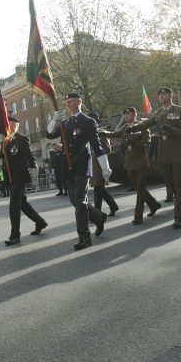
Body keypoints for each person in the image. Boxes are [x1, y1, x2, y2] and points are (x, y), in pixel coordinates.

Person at [46, 93, 111, 250]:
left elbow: (96, 144)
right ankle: (99, 217)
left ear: (79, 102)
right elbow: (49, 134)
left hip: (82, 165)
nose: (68, 105)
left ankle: (84, 237)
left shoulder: (88, 121)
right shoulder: (66, 123)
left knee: (80, 202)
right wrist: (54, 120)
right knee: (74, 200)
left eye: (71, 102)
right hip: (68, 166)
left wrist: (105, 166)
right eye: (67, 102)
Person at [128, 87, 181, 229]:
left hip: (177, 150)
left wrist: (172, 130)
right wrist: (133, 128)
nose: (161, 96)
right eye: (159, 94)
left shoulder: (180, 110)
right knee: (171, 183)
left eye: (164, 94)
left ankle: (178, 217)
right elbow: (146, 123)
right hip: (164, 152)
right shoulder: (158, 112)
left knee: (178, 184)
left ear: (171, 95)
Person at [0, 116, 48, 245]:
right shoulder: (6, 141)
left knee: (14, 205)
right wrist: (0, 143)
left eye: (10, 123)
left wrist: (35, 175)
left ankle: (15, 234)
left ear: (16, 125)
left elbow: (30, 157)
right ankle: (40, 222)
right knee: (22, 203)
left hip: (19, 176)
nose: (7, 126)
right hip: (9, 177)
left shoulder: (22, 139)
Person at [103, 107, 161, 225]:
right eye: (125, 114)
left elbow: (147, 142)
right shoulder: (125, 127)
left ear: (134, 114)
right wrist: (100, 132)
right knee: (137, 186)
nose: (126, 116)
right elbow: (114, 134)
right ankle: (153, 205)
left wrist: (133, 140)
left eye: (128, 114)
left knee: (140, 189)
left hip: (140, 160)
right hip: (130, 161)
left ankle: (138, 216)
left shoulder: (141, 126)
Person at [87, 112, 119, 217]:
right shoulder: (89, 134)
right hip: (93, 165)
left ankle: (97, 213)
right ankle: (113, 206)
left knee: (98, 189)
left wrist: (98, 152)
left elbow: (108, 149)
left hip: (100, 164)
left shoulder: (101, 133)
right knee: (100, 189)